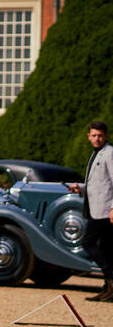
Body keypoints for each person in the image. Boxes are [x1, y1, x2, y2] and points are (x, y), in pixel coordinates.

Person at [68, 121, 113, 302]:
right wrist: (81, 187)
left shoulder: (110, 153)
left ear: (106, 136)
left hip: (105, 210)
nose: (97, 138)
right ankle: (107, 288)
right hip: (96, 207)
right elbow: (100, 183)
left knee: (88, 243)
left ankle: (111, 278)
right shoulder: (97, 154)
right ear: (88, 136)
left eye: (100, 135)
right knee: (106, 247)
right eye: (94, 135)